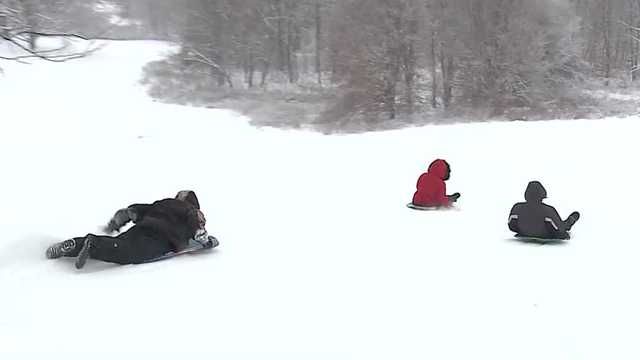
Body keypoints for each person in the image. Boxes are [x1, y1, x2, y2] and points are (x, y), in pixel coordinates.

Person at [45, 190, 218, 269]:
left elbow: (136, 211)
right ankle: (93, 244)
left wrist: (123, 218)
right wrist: (206, 242)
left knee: (118, 243)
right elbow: (198, 229)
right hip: (163, 238)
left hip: (142, 227)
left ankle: (73, 244)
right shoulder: (192, 211)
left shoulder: (163, 203)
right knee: (127, 253)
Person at [508, 181, 580, 240]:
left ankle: (569, 221)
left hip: (524, 233)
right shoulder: (548, 211)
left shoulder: (517, 208)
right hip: (545, 235)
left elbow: (511, 226)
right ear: (542, 194)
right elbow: (560, 229)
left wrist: (524, 230)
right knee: (564, 225)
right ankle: (571, 220)